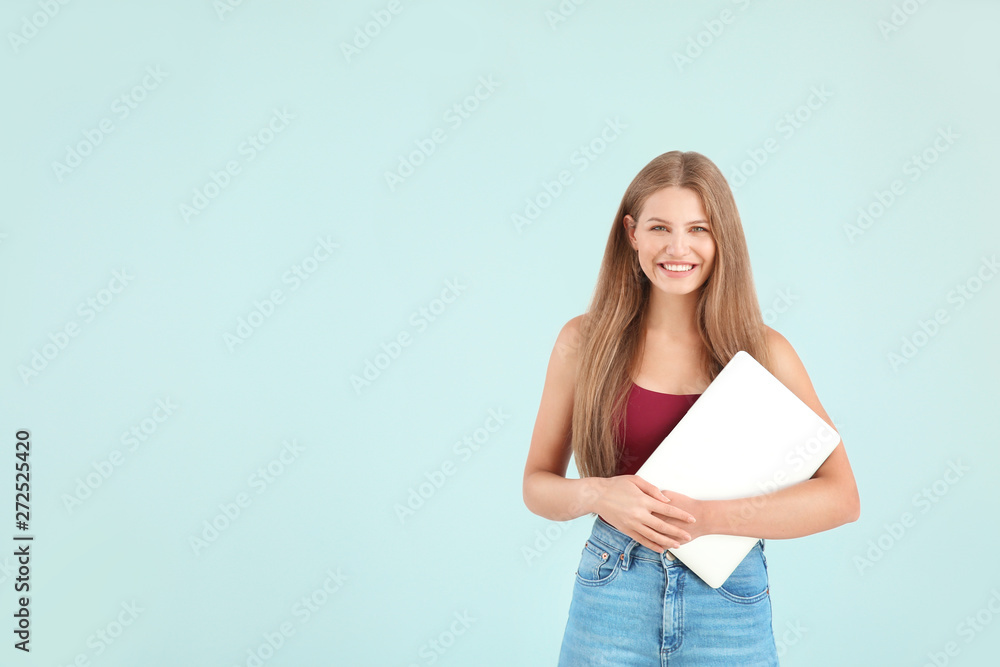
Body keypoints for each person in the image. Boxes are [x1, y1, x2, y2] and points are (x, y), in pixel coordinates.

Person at [521, 150, 860, 666]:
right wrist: (600, 494)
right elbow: (536, 487)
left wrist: (707, 518)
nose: (678, 248)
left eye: (698, 228)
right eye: (660, 227)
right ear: (631, 232)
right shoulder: (582, 342)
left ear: (721, 237)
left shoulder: (765, 353)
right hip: (613, 590)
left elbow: (841, 497)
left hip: (728, 600)